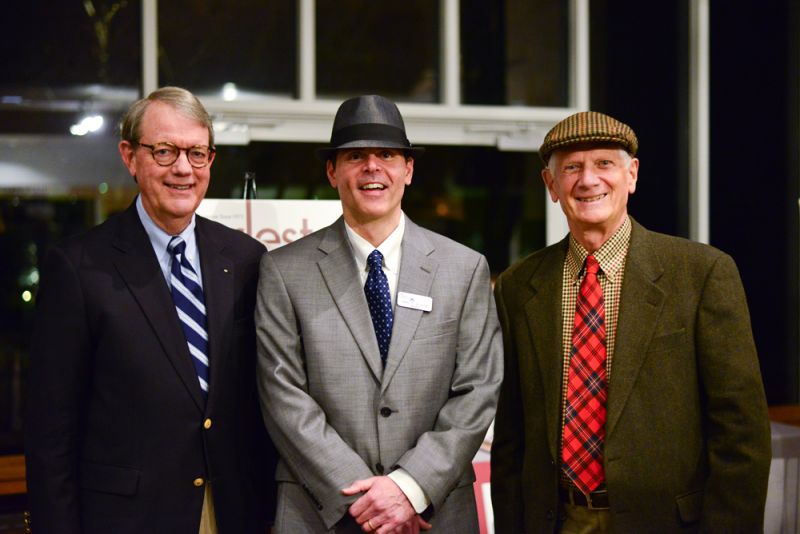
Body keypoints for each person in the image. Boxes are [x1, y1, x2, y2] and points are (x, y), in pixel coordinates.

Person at [490, 111, 771, 533]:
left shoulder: (700, 273)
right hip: (556, 521)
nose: (588, 180)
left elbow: (741, 433)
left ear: (632, 174)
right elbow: (512, 436)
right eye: (571, 167)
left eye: (604, 163)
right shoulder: (519, 286)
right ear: (551, 186)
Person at [25, 86, 276, 533]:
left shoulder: (246, 259)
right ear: (130, 156)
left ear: (211, 161)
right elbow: (51, 436)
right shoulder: (79, 267)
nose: (183, 168)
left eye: (197, 153)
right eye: (164, 151)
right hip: (129, 518)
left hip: (235, 511)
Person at [255, 94, 503, 533]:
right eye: (355, 156)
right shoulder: (283, 271)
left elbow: (478, 390)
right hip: (320, 513)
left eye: (386, 155)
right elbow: (283, 396)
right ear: (332, 171)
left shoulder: (464, 269)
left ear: (408, 169)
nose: (372, 167)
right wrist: (371, 500)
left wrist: (409, 489)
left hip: (434, 511)